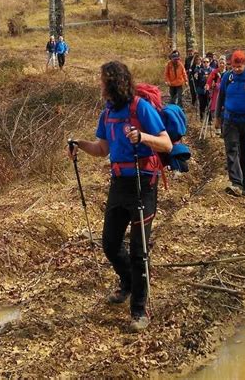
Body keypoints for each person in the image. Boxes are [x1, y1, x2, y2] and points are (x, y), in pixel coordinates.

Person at [67, 61, 172, 332]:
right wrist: (79, 144)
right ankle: (128, 282)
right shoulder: (108, 113)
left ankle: (139, 310)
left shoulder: (140, 108)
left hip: (143, 184)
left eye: (102, 80)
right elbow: (102, 148)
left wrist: (143, 137)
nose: (99, 84)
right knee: (110, 243)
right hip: (118, 183)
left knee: (139, 251)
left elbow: (166, 143)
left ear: (113, 81)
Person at [215, 50, 245, 197]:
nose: (236, 70)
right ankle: (236, 183)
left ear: (244, 64)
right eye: (234, 67)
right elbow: (220, 97)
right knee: (231, 150)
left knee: (244, 153)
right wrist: (217, 118)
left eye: (239, 67)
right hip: (230, 120)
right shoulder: (227, 77)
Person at [206, 56, 227, 135]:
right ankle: (217, 127)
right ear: (218, 64)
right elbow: (209, 81)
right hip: (216, 94)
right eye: (220, 63)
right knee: (216, 110)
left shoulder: (228, 73)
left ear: (225, 64)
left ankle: (223, 129)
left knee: (224, 111)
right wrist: (208, 86)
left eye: (223, 63)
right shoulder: (214, 72)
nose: (221, 65)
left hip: (226, 95)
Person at [193, 56, 211, 121]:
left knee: (209, 104)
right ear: (202, 63)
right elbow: (196, 80)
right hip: (201, 90)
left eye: (207, 62)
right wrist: (196, 77)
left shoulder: (212, 70)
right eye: (204, 62)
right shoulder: (199, 70)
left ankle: (210, 119)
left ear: (209, 63)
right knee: (202, 104)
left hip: (209, 90)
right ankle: (201, 117)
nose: (206, 63)